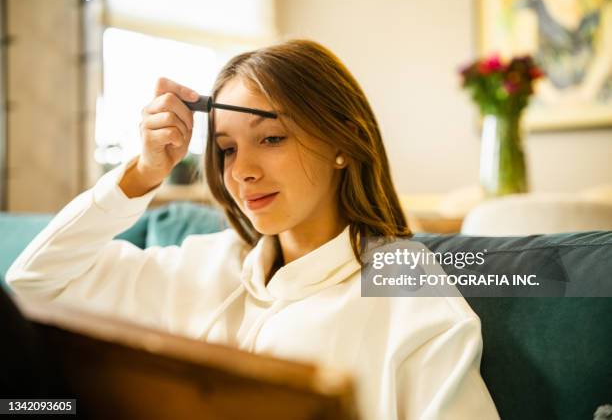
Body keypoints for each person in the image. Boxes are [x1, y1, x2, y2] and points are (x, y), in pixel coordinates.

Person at [6, 39, 500, 419]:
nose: (242, 170)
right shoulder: (203, 264)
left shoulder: (410, 297)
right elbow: (31, 288)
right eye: (226, 148)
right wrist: (143, 173)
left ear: (343, 142)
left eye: (271, 137)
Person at [511, 0, 612, 106]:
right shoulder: (531, 0)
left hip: (598, 101)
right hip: (548, 106)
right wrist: (556, 100)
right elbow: (524, 58)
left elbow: (607, 51)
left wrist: (586, 93)